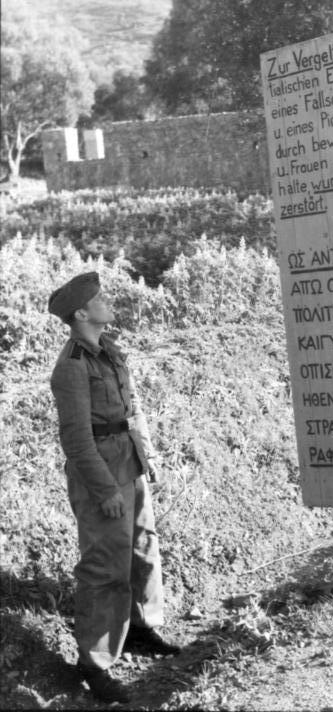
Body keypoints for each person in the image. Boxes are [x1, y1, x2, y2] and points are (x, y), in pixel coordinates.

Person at [48, 271, 180, 704]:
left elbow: (133, 408)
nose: (108, 302)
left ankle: (142, 630)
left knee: (143, 546)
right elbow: (77, 440)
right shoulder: (71, 368)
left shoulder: (111, 351)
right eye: (100, 299)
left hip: (129, 461)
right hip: (100, 472)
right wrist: (104, 490)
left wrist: (150, 457)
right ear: (82, 313)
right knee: (105, 565)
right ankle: (95, 664)